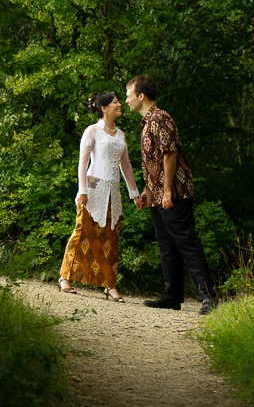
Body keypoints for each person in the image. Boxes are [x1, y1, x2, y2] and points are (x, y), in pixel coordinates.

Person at [125, 75, 217, 315]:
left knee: (186, 242)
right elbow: (152, 162)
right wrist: (148, 191)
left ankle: (207, 296)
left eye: (128, 95)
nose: (126, 101)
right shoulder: (147, 122)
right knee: (166, 246)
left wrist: (166, 191)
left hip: (174, 193)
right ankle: (172, 295)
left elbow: (170, 155)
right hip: (157, 194)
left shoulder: (160, 118)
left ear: (141, 96)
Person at [58, 92, 140, 301]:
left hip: (113, 193)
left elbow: (126, 166)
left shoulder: (120, 134)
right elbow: (82, 163)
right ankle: (64, 277)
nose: (120, 104)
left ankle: (109, 284)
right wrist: (83, 191)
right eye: (115, 102)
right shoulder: (92, 131)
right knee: (82, 232)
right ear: (104, 108)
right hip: (93, 190)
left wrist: (135, 194)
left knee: (111, 237)